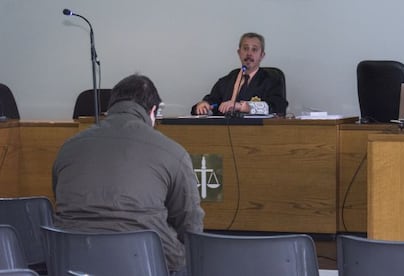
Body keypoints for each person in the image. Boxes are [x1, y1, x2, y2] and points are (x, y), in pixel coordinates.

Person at [52, 73, 204, 275]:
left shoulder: (67, 148)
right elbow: (190, 225)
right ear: (153, 111)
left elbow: (60, 199)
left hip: (72, 263)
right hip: (146, 264)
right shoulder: (172, 152)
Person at [191, 32, 288, 116]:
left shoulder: (271, 80)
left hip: (257, 133)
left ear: (262, 55)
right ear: (239, 52)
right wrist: (203, 105)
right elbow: (212, 101)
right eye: (245, 48)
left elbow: (278, 107)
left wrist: (244, 107)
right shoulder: (226, 81)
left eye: (254, 49)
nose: (249, 53)